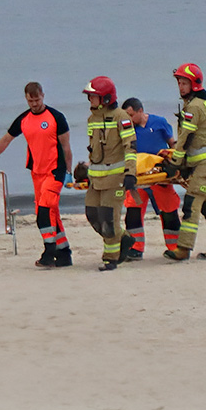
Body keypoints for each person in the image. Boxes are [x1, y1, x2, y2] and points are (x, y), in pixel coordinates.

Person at [0, 82, 74, 268]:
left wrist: (69, 172)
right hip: (37, 173)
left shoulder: (56, 117)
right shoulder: (24, 119)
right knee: (50, 213)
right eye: (31, 101)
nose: (34, 104)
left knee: (44, 213)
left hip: (55, 171)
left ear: (43, 96)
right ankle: (64, 253)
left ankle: (49, 252)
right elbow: (6, 140)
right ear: (26, 99)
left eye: (37, 100)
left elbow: (66, 147)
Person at [163, 63, 206, 261]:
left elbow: (186, 137)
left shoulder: (194, 106)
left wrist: (176, 161)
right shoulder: (197, 103)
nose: (181, 87)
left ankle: (183, 248)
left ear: (194, 84)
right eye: (179, 83)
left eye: (184, 83)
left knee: (192, 202)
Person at [83, 77, 137, 271]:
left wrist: (130, 173)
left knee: (108, 219)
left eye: (93, 96)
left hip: (115, 178)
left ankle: (111, 258)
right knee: (92, 215)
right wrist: (85, 170)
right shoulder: (92, 119)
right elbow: (95, 150)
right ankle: (124, 239)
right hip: (95, 179)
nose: (90, 100)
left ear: (105, 98)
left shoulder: (121, 117)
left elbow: (130, 146)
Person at [120, 97, 181, 260]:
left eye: (131, 115)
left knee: (168, 211)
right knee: (132, 211)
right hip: (138, 177)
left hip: (159, 175)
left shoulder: (159, 122)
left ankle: (175, 247)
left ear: (140, 111)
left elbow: (172, 144)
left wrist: (177, 163)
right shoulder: (126, 128)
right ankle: (135, 248)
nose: (128, 119)